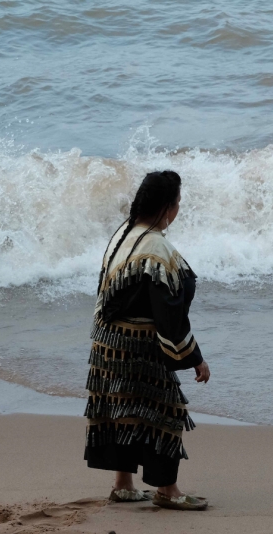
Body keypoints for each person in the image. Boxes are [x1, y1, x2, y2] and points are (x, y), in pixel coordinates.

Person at [84, 170, 211, 511]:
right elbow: (168, 314)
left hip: (106, 342)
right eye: (178, 203)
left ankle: (123, 485)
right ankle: (167, 490)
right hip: (136, 346)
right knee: (164, 412)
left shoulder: (122, 234)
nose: (178, 209)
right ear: (167, 207)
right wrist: (194, 357)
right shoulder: (156, 246)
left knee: (120, 409)